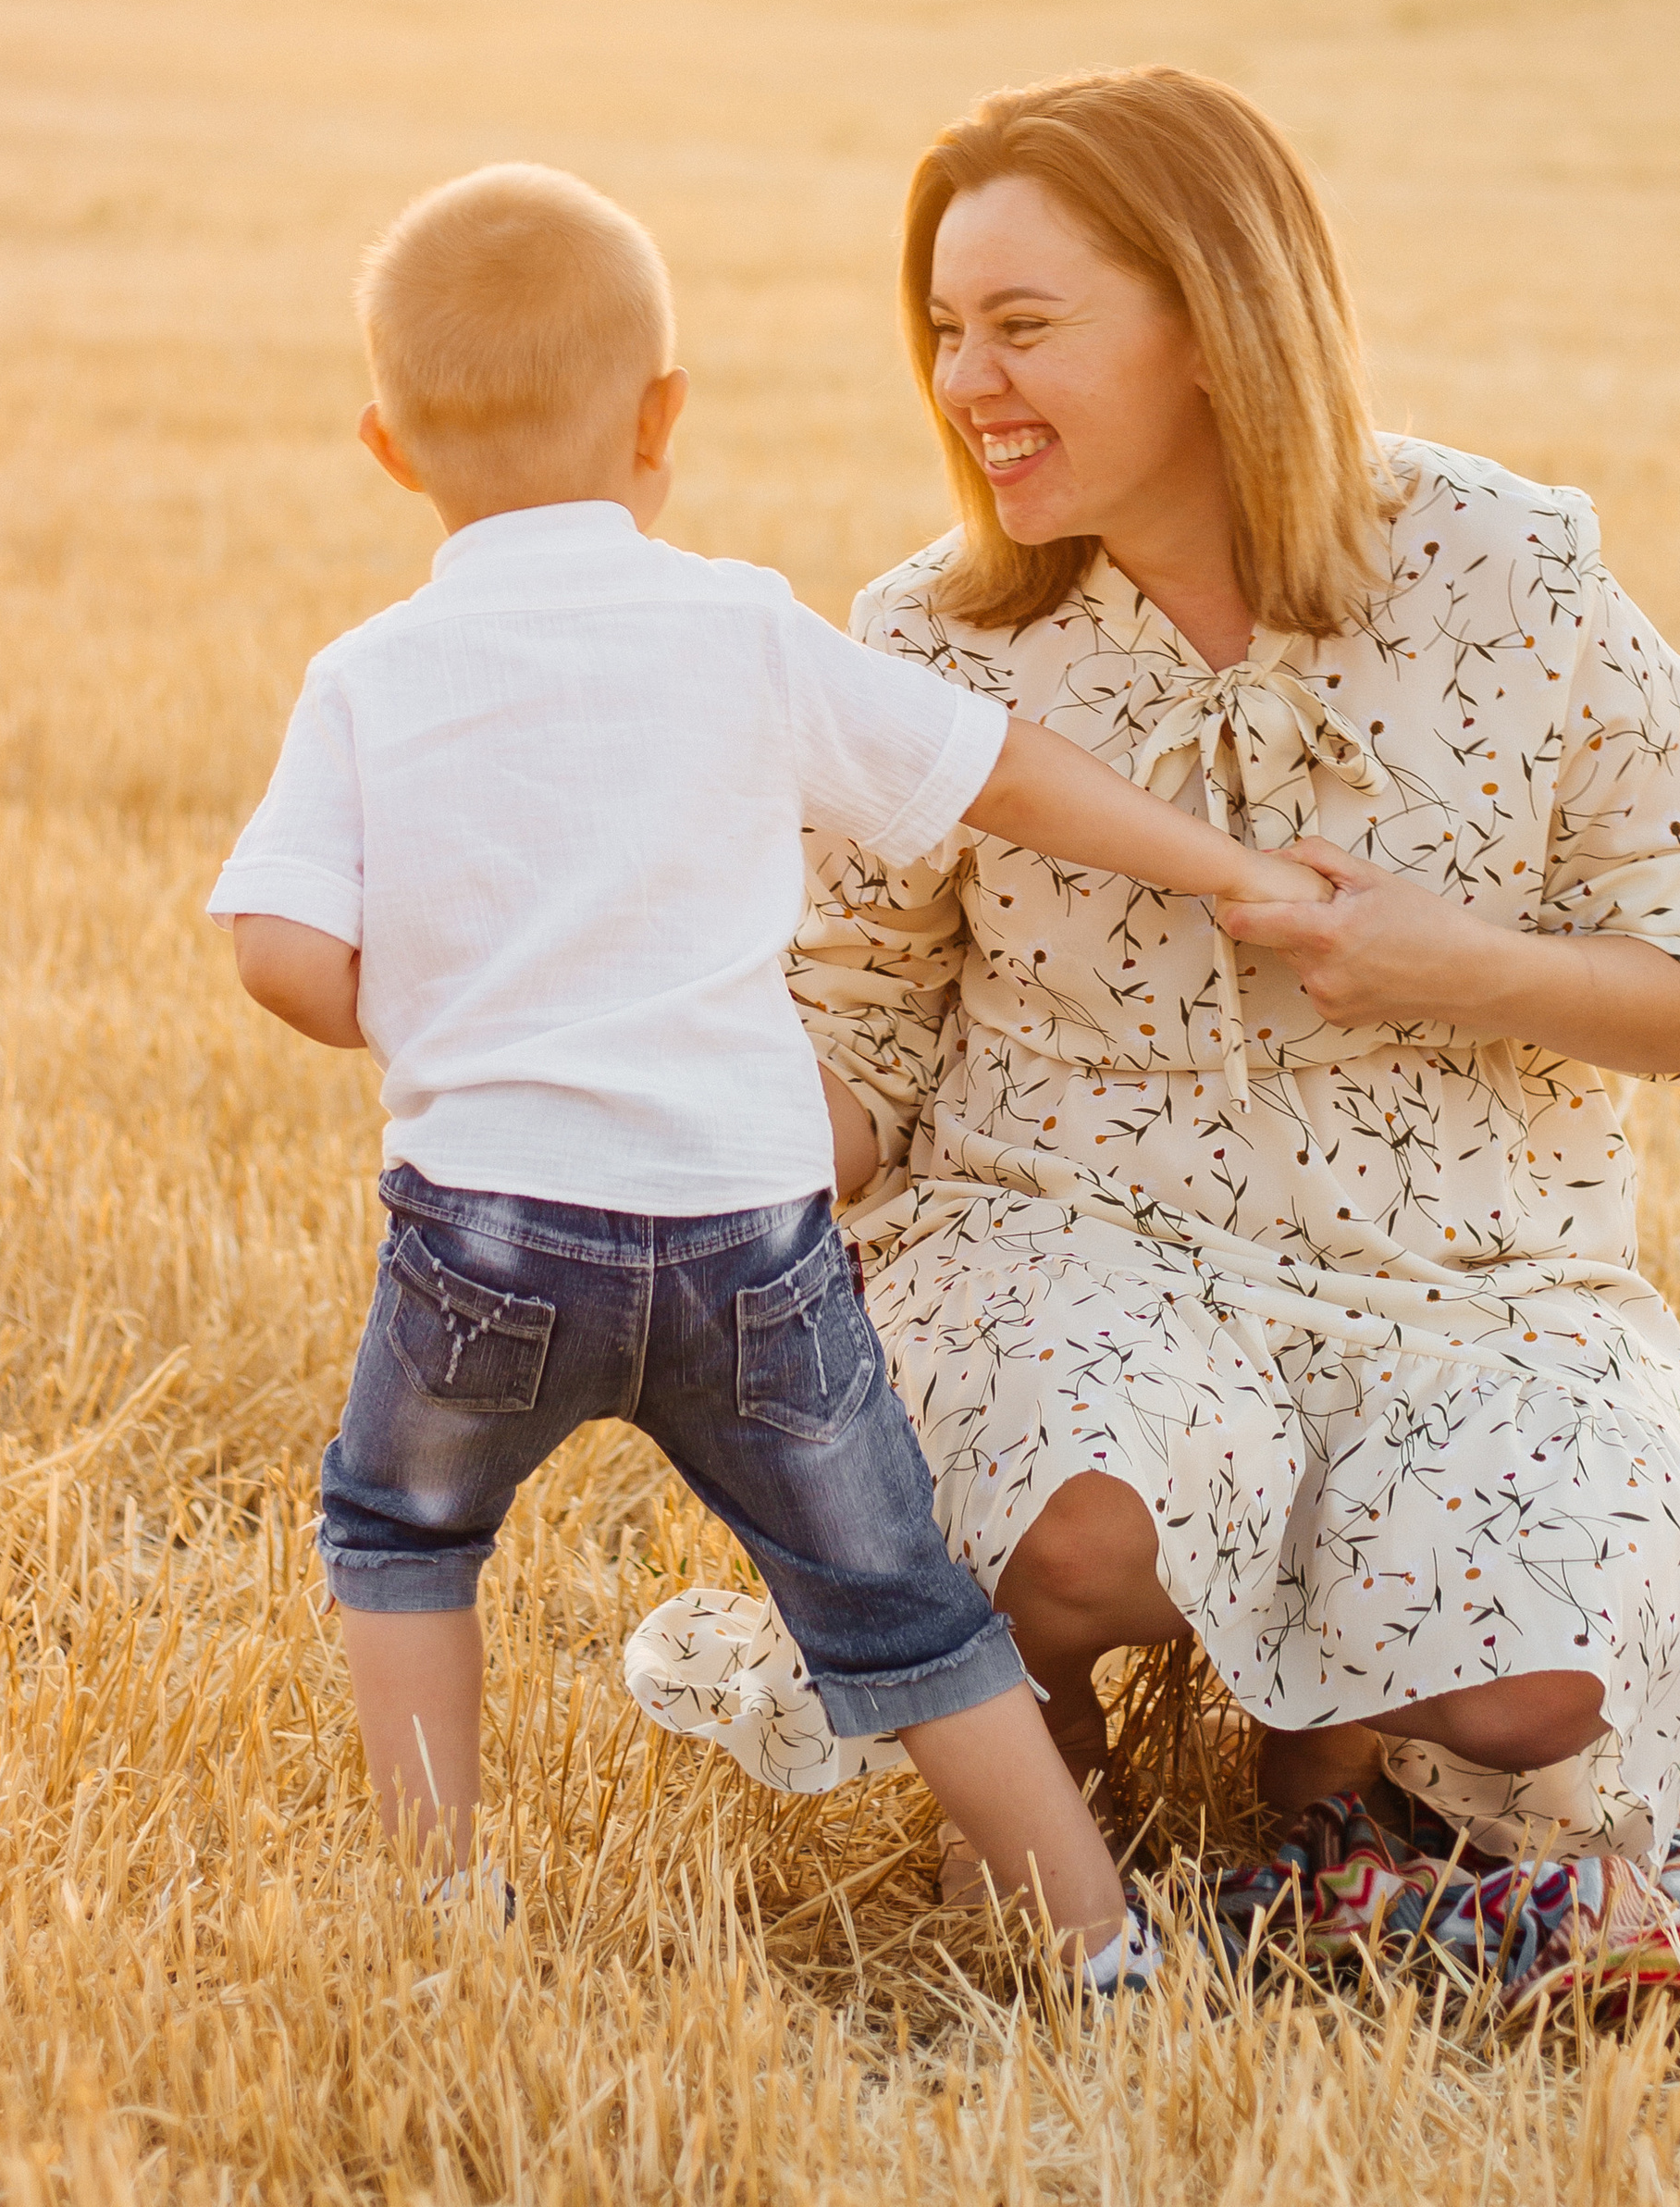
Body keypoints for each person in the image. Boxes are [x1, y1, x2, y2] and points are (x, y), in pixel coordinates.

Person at [627, 68, 1680, 1881]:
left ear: (1212, 322)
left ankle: (1324, 1704)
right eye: (944, 330)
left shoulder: (1508, 568)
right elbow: (856, 1011)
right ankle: (1045, 1696)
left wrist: (1464, 966)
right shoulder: (930, 639)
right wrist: (723, 1175)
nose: (962, 385)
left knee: (1532, 1716)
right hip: (1067, 1230)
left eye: (1022, 326)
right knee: (1077, 1533)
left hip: (1474, 1277)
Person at [207, 158, 1331, 1980]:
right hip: (746, 1236)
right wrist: (1230, 868)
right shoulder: (735, 628)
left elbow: (283, 959)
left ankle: (438, 1909)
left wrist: (420, 1009)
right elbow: (996, 771)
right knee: (891, 1602)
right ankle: (1096, 1938)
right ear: (663, 419)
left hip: (486, 1237)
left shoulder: (366, 675)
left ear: (386, 447)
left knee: (399, 1530)